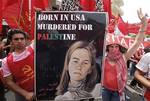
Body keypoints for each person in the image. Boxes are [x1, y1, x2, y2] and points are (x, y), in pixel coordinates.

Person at [101, 8, 148, 101]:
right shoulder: (103, 57)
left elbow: (137, 42)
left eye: (116, 46)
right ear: (107, 48)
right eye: (111, 46)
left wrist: (144, 24)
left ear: (119, 48)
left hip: (117, 92)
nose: (114, 49)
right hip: (104, 90)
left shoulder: (123, 57)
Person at [1, 29, 34, 101]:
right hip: (23, 94)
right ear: (11, 41)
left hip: (41, 90)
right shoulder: (5, 61)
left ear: (25, 40)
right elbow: (9, 82)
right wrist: (25, 94)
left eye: (22, 38)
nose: (19, 41)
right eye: (16, 39)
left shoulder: (32, 48)